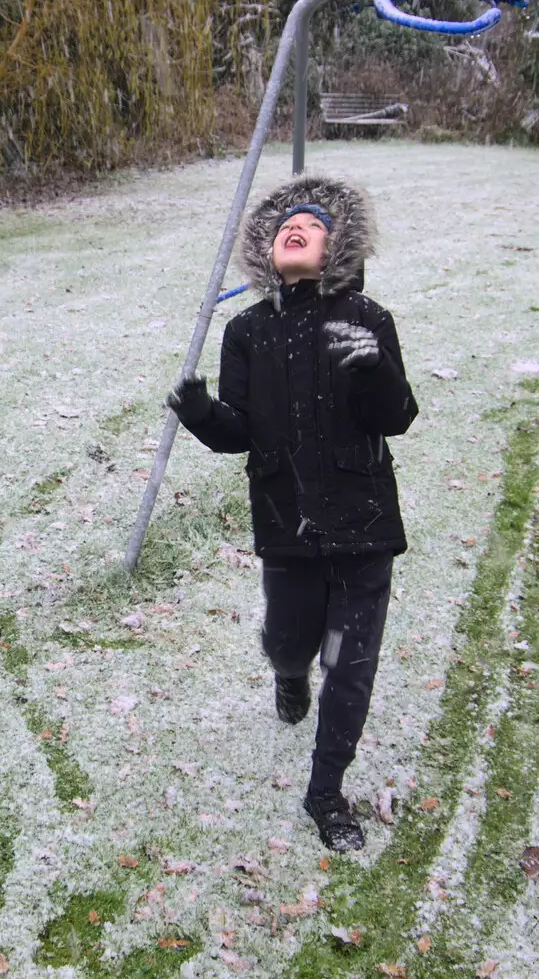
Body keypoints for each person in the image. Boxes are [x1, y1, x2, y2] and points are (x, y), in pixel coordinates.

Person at [166, 176, 418, 851]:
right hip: (286, 524)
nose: (296, 229)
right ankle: (286, 673)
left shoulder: (367, 319)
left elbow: (398, 418)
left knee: (350, 663)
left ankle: (325, 790)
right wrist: (198, 413)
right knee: (289, 640)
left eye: (311, 225)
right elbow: (236, 430)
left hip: (363, 524)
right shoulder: (246, 331)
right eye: (285, 227)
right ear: (266, 253)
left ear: (336, 248)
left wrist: (374, 371)